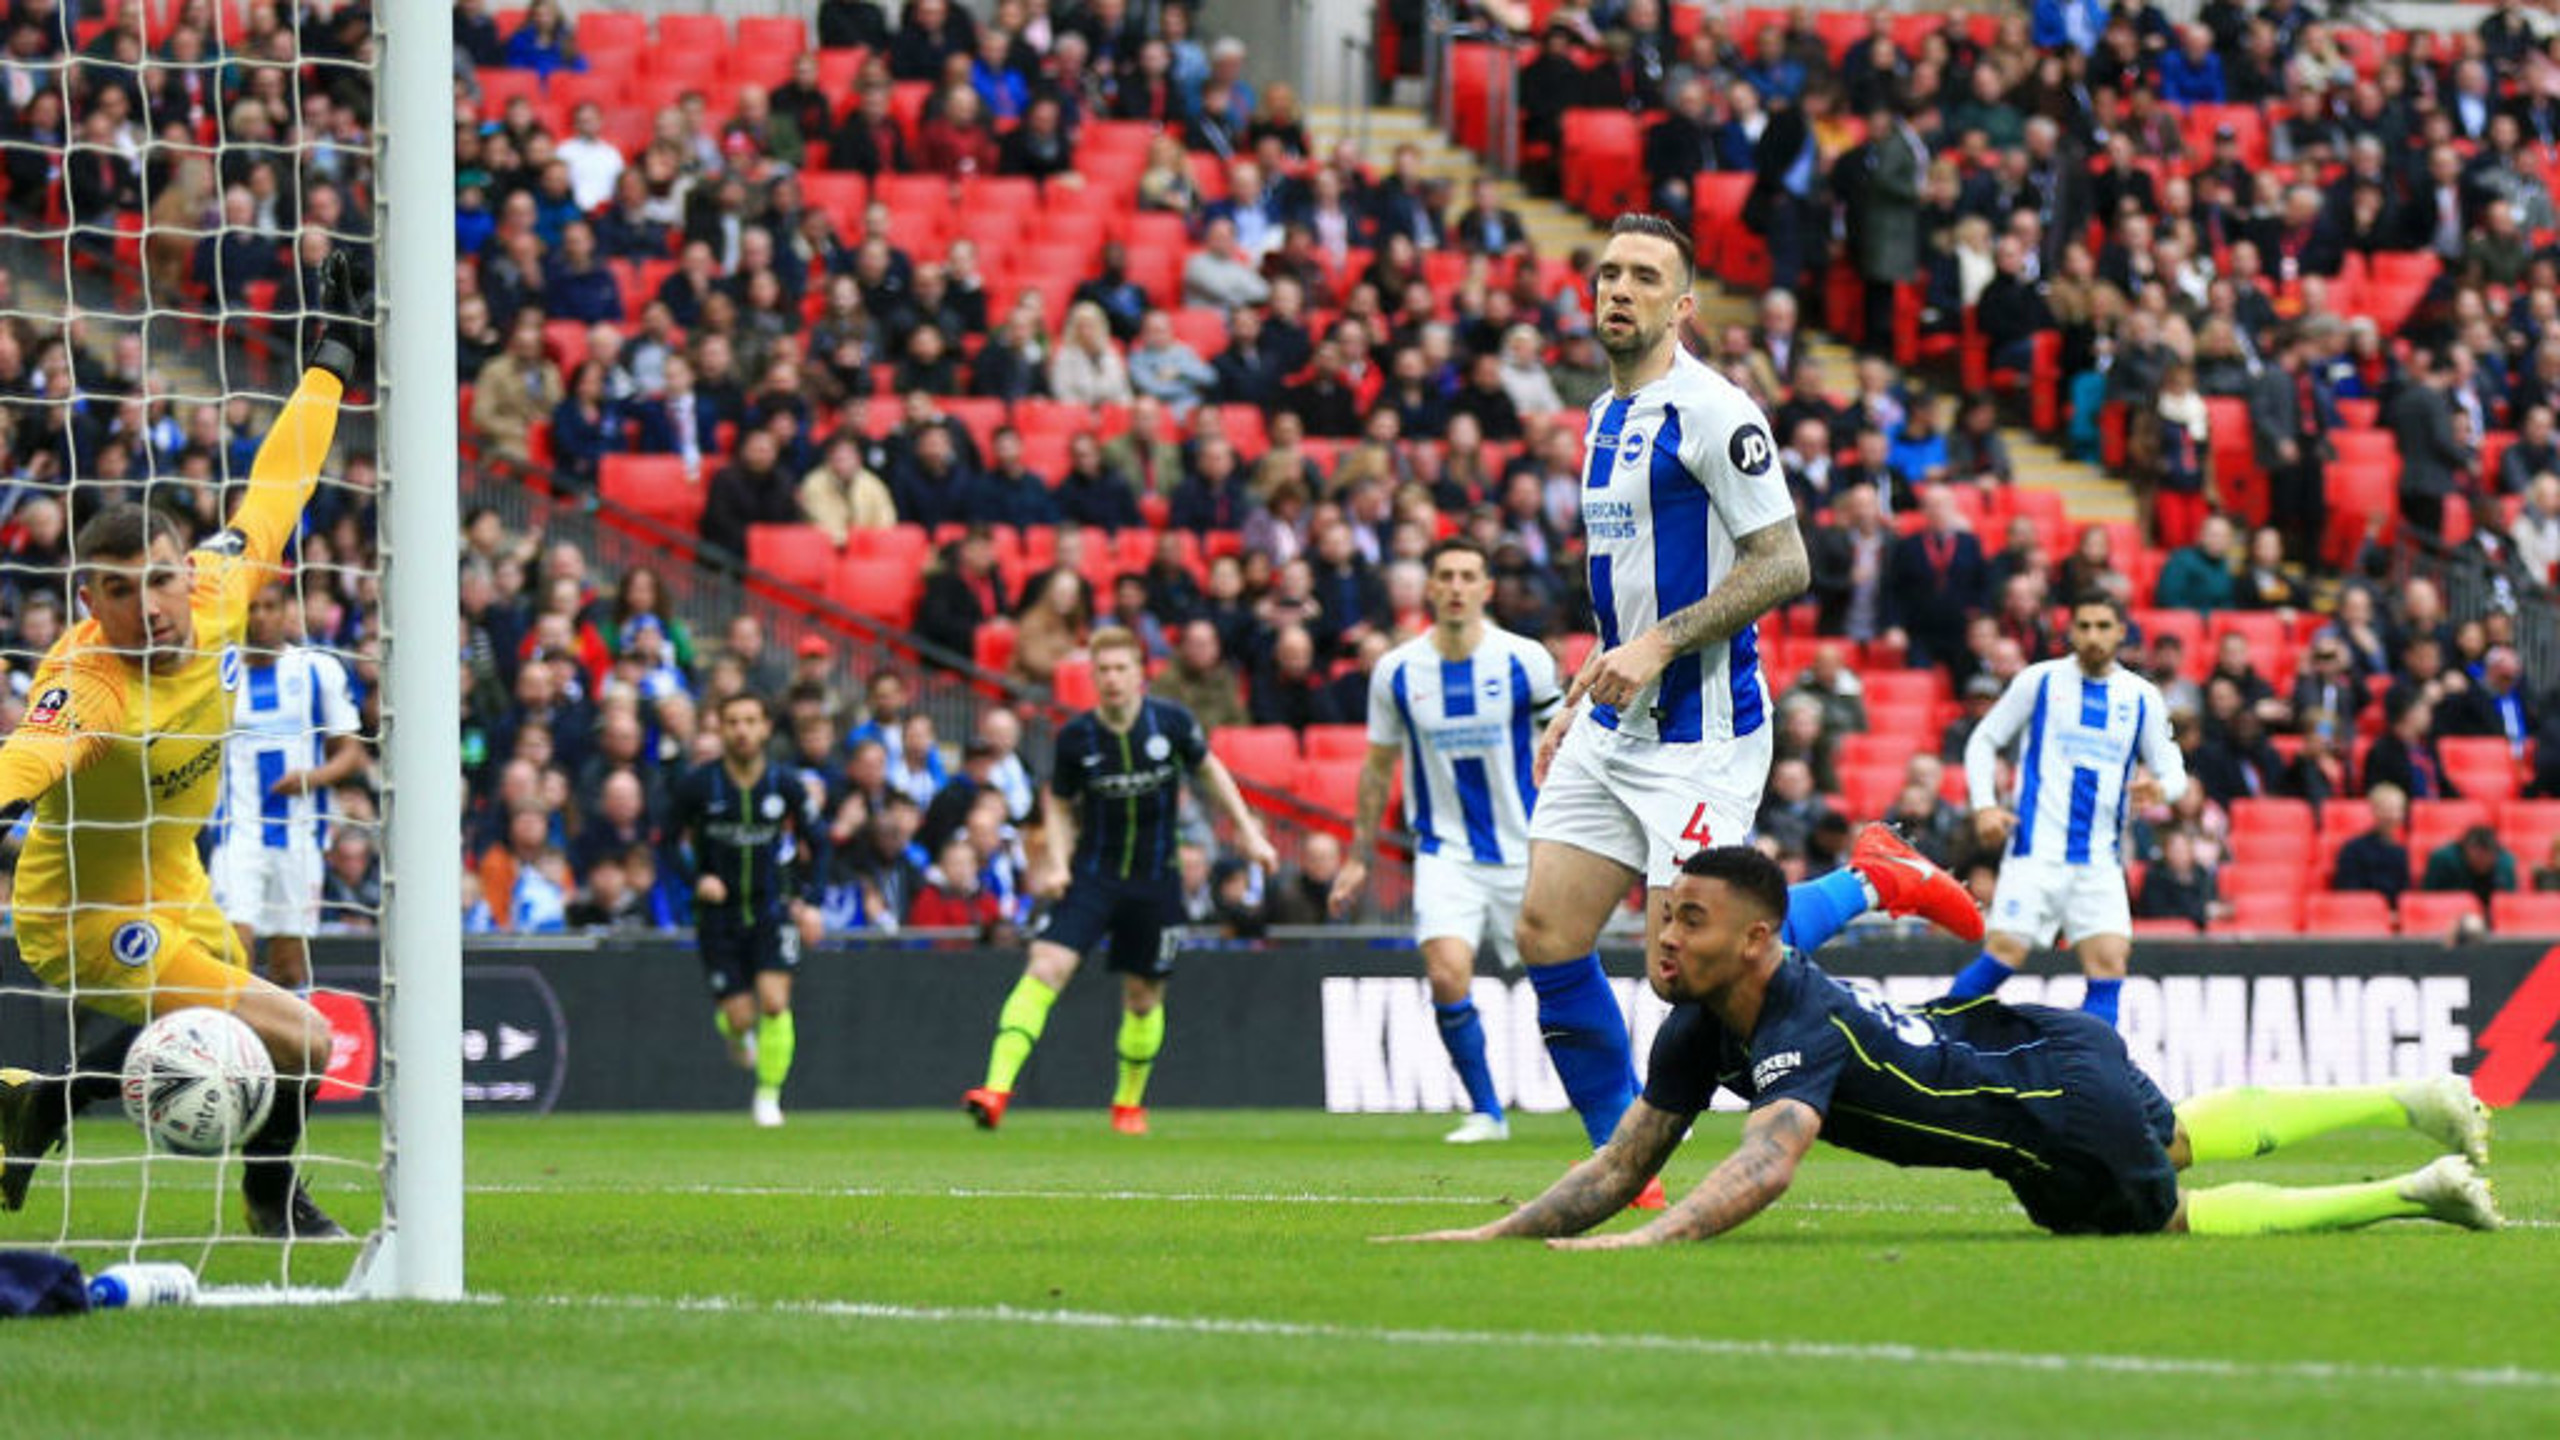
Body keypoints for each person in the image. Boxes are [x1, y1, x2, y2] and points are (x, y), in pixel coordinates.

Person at [1388, 847, 2498, 1248]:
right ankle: (2415, 1098)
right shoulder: (1700, 1020)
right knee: (2183, 1137)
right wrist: (1488, 1233)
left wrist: (1647, 1245)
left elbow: (1765, 1165)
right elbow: (1619, 1164)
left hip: (2046, 1117)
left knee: (2165, 1216)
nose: (1661, 934)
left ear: (1757, 943)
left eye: (1688, 920)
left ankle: (2417, 1188)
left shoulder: (1795, 1025)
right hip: (2038, 1041)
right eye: (1663, 914)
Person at [0, 255, 367, 1236]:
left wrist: (333, 359)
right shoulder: (87, 685)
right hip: (81, 912)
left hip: (178, 882)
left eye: (158, 580)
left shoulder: (214, 590)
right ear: (90, 600)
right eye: (119, 591)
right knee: (305, 1033)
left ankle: (34, 1101)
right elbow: (27, 763)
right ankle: (269, 1202)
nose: (149, 606)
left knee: (252, 1017)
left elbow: (279, 485)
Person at [1517, 214, 1815, 1185]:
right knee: (1547, 934)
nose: (1618, 289)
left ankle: (1870, 885)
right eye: (1606, 273)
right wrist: (1579, 692)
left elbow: (1784, 563)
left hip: (1702, 733)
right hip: (1612, 722)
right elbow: (1631, 590)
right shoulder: (1603, 417)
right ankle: (1624, 1163)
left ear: (1681, 306)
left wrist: (1658, 644)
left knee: (1686, 968)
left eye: (1643, 276)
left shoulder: (1715, 412)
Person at [962, 628, 1278, 1135]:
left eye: (1120, 669)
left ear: (1140, 674)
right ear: (1093, 677)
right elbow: (1060, 804)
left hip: (1156, 881)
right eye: (1103, 671)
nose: (1111, 679)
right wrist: (1060, 861)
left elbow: (1211, 771)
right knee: (1045, 965)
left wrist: (1248, 833)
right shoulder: (1077, 737)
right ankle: (994, 1090)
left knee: (1143, 997)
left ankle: (1127, 1104)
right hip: (1094, 876)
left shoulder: (1171, 723)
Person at [1332, 538, 1562, 1144]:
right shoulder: (1397, 671)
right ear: (1428, 589)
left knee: (1565, 979)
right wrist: (1359, 857)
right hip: (1445, 851)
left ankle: (1631, 1103)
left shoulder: (1525, 661)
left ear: (1487, 589)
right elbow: (1378, 767)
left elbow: (1565, 748)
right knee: (1446, 973)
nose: (1457, 587)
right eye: (1445, 576)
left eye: (1468, 576)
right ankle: (1488, 1112)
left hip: (1527, 850)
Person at [1953, 594, 2188, 1027]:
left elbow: (2175, 772)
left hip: (2100, 860)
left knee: (2109, 962)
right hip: (2035, 850)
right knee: (2005, 954)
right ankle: (1934, 1036)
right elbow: (1984, 740)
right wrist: (1984, 806)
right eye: (2084, 626)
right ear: (2071, 631)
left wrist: (2163, 789)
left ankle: (2092, 1075)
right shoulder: (2039, 681)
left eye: (2103, 626)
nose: (2093, 636)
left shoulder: (2141, 697)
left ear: (2121, 632)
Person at [665, 691, 827, 1128]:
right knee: (738, 1016)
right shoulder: (698, 784)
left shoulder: (784, 784)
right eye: (732, 721)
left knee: (775, 1003)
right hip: (717, 916)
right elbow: (664, 842)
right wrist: (696, 878)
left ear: (765, 728)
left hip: (770, 909)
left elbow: (821, 841)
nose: (741, 730)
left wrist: (812, 902)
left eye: (750, 720)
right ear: (719, 727)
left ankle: (768, 1096)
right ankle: (737, 1034)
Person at [208, 580, 369, 991]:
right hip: (236, 835)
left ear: (285, 612)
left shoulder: (317, 669)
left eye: (268, 607)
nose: (259, 617)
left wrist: (310, 779)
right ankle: (231, 1050)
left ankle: (285, 1053)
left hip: (300, 837)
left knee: (290, 969)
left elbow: (350, 752)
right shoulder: (217, 674)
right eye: (251, 608)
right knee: (233, 955)